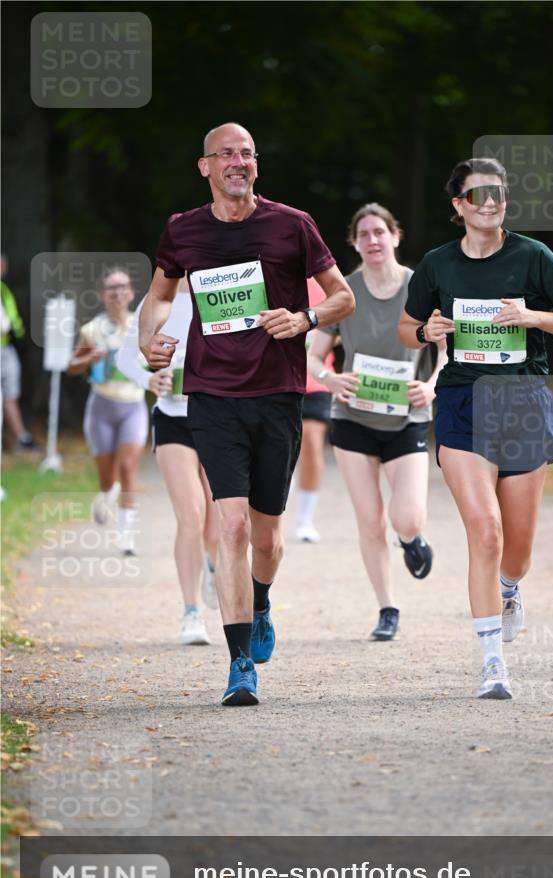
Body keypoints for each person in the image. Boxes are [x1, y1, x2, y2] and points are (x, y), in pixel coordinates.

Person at [139, 121, 355, 707]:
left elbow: (343, 296)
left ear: (256, 164)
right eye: (226, 154)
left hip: (278, 395)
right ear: (205, 166)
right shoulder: (183, 230)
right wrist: (147, 339)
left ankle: (261, 602)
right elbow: (159, 294)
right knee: (230, 525)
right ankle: (239, 665)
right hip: (212, 396)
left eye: (247, 154)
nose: (238, 162)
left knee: (266, 535)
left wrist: (306, 318)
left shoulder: (293, 224)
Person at [399, 157, 553, 699]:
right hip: (462, 403)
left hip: (523, 402)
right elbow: (407, 328)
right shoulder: (437, 265)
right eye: (478, 194)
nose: (490, 203)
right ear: (458, 205)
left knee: (517, 551)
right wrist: (427, 331)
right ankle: (492, 663)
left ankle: (509, 588)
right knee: (485, 531)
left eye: (498, 194)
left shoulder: (533, 256)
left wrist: (532, 317)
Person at [308, 203, 446, 641]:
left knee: (407, 517)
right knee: (370, 521)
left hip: (407, 416)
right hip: (353, 419)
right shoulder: (344, 292)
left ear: (395, 237)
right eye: (364, 234)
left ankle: (412, 539)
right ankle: (387, 609)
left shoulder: (420, 287)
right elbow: (312, 356)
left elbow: (448, 349)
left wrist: (433, 386)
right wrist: (330, 380)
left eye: (379, 232)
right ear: (354, 243)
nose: (372, 240)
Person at [117, 277, 220, 645]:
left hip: (220, 420)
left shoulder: (222, 288)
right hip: (173, 419)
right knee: (191, 515)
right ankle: (191, 613)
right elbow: (125, 357)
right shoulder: (158, 299)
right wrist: (149, 380)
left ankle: (213, 567)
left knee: (218, 524)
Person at [66, 269, 148, 555]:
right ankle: (105, 494)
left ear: (131, 293)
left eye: (123, 286)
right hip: (101, 407)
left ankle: (125, 537)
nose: (118, 292)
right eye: (112, 288)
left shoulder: (143, 326)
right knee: (107, 476)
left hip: (133, 407)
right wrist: (89, 358)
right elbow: (71, 367)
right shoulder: (92, 330)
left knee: (127, 468)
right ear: (102, 295)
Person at [293, 277, 334, 543]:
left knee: (310, 442)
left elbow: (342, 323)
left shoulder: (323, 280)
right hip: (273, 378)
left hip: (315, 377)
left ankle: (304, 519)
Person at [1, 255, 39, 452]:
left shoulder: (3, 289)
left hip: (8, 348)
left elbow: (11, 322)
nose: (3, 266)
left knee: (10, 395)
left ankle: (20, 438)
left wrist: (18, 339)